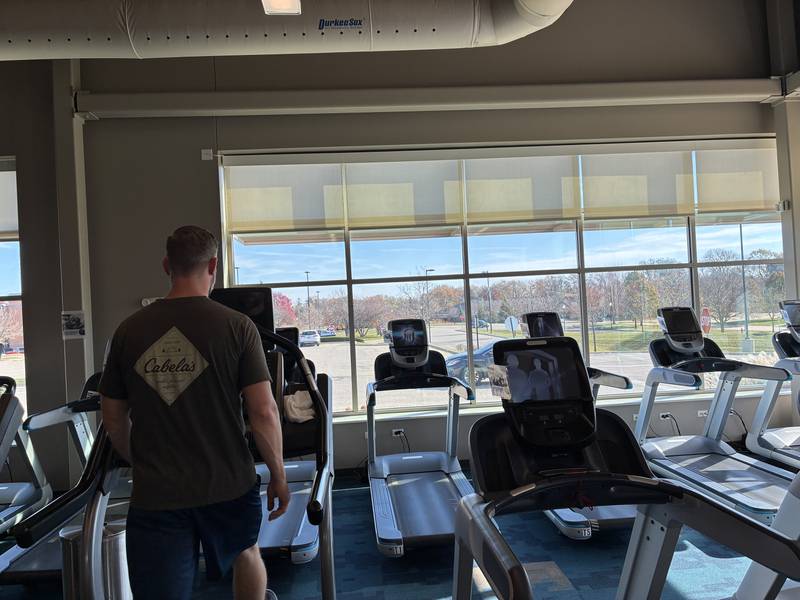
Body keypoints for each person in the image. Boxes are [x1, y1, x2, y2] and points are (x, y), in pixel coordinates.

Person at [99, 225, 289, 600]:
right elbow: (263, 412)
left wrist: (139, 460)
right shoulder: (238, 327)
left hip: (158, 492)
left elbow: (112, 417)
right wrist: (279, 475)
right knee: (246, 552)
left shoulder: (128, 331)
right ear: (213, 265)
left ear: (167, 265)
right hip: (229, 484)